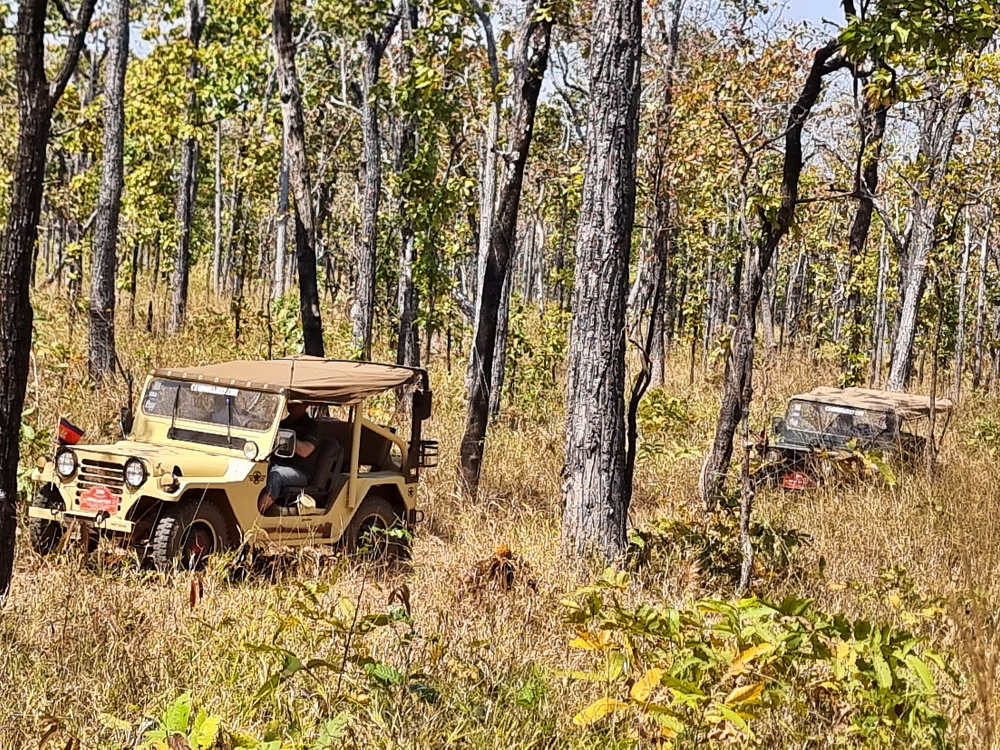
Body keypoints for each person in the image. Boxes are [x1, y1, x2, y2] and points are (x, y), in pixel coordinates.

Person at [258, 401, 319, 515]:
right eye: (290, 401)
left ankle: (256, 516)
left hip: (301, 471)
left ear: (306, 405)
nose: (292, 404)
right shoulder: (282, 423)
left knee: (275, 476)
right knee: (256, 469)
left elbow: (306, 450)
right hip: (277, 463)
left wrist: (285, 440)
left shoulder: (312, 425)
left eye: (297, 403)